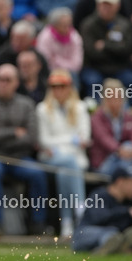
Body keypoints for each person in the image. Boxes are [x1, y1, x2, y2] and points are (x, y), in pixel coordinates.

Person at [0, 64, 49, 235]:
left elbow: (31, 139)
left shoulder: (27, 104)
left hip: (19, 157)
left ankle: (38, 224)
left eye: (7, 80)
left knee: (38, 173)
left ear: (16, 83)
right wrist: (15, 133)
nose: (2, 83)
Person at [36, 70, 91, 239]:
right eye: (54, 86)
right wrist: (71, 140)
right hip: (52, 158)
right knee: (68, 162)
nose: (58, 90)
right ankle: (81, 211)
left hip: (72, 158)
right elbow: (44, 140)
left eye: (62, 86)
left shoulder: (81, 107)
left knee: (64, 171)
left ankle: (66, 222)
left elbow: (85, 137)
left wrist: (61, 144)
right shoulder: (42, 109)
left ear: (69, 88)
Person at [72, 167, 132, 254]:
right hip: (83, 236)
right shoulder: (100, 195)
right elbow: (99, 217)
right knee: (111, 234)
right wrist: (128, 211)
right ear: (120, 182)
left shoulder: (128, 201)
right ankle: (112, 247)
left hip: (112, 234)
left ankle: (113, 247)